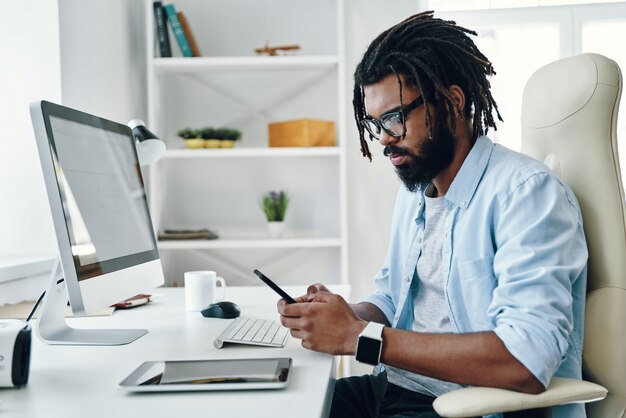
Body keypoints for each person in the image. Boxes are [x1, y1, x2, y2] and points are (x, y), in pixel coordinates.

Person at [277, 11, 588, 418]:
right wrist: (340, 316)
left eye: (395, 118)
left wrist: (360, 337)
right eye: (375, 123)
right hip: (394, 387)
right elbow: (392, 296)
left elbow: (525, 361)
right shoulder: (416, 189)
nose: (385, 139)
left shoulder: (527, 195)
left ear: (452, 102)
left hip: (469, 408)